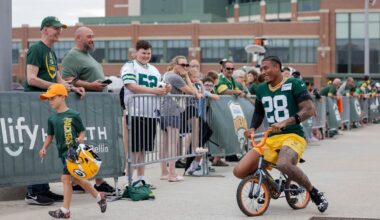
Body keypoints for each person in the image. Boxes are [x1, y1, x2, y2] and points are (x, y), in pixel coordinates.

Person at [233, 56, 328, 213]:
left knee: (283, 164)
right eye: (261, 69)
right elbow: (258, 113)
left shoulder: (294, 83)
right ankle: (270, 186)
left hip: (293, 135)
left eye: (266, 68)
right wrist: (252, 128)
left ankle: (314, 192)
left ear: (277, 67)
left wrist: (287, 122)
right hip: (271, 138)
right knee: (239, 170)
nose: (263, 72)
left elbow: (309, 109)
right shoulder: (261, 89)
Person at [24, 16, 84, 206]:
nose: (59, 31)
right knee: (37, 144)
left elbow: (58, 79)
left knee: (48, 144)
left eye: (61, 28)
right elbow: (31, 79)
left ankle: (43, 189)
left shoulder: (50, 51)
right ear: (45, 29)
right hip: (35, 103)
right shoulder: (36, 49)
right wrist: (56, 89)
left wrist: (72, 88)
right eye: (56, 28)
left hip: (48, 104)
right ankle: (33, 191)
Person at [61, 26, 116, 195]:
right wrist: (91, 86)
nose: (92, 39)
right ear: (78, 38)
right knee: (84, 145)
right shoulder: (72, 56)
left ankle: (96, 181)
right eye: (89, 36)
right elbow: (68, 80)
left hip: (97, 108)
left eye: (93, 36)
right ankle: (80, 181)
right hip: (85, 108)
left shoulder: (87, 56)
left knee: (97, 145)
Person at [39, 83, 107, 218]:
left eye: (52, 98)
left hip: (74, 153)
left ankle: (65, 211)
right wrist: (44, 147)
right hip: (63, 153)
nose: (50, 101)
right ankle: (99, 197)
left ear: (62, 97)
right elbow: (50, 136)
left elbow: (82, 131)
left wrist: (80, 139)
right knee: (77, 180)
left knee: (65, 178)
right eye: (48, 99)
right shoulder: (51, 118)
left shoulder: (74, 115)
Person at [121, 40, 170, 186]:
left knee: (143, 150)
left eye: (148, 53)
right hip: (135, 112)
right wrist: (154, 91)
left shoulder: (154, 69)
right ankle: (128, 180)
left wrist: (165, 89)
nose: (146, 55)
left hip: (151, 113)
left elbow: (161, 86)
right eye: (143, 52)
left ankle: (140, 178)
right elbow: (130, 85)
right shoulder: (130, 66)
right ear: (136, 52)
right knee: (134, 150)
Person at [160, 55, 200, 182]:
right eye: (182, 65)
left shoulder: (167, 74)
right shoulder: (175, 77)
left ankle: (164, 172)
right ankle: (172, 174)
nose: (185, 67)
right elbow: (193, 91)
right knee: (173, 143)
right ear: (175, 64)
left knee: (165, 142)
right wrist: (187, 76)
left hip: (163, 110)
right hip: (172, 110)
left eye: (186, 65)